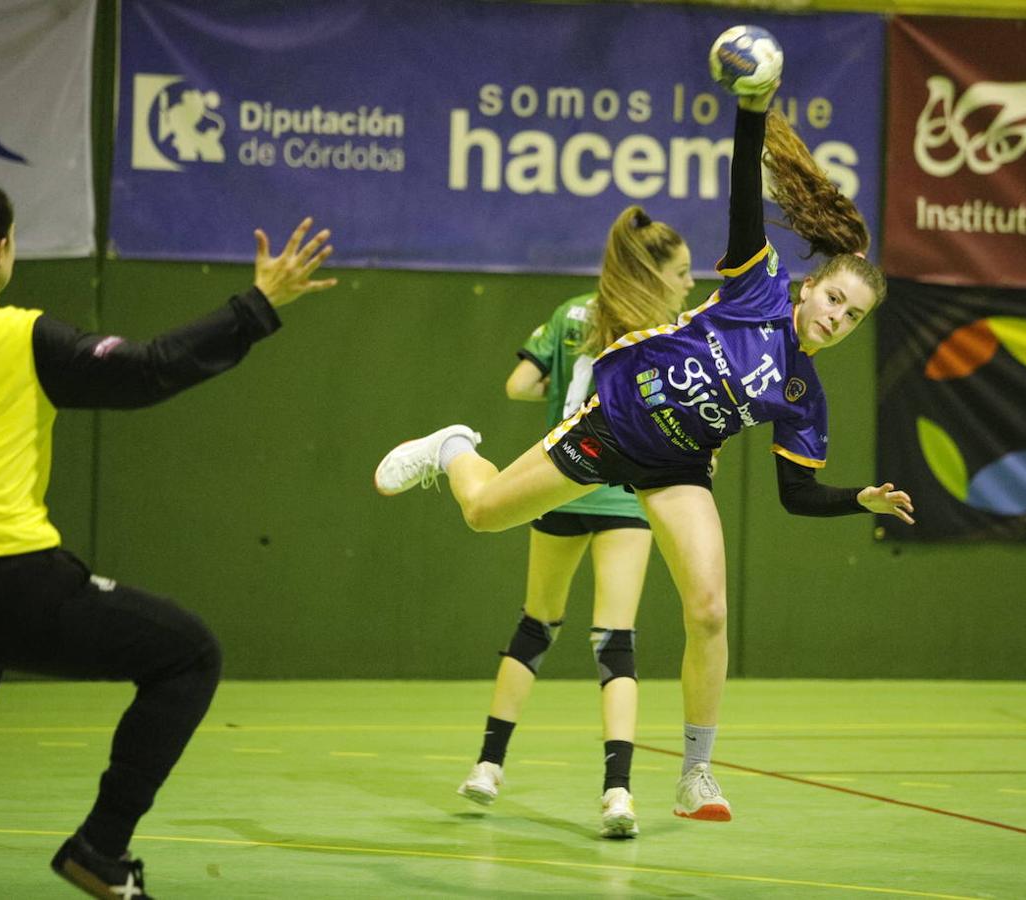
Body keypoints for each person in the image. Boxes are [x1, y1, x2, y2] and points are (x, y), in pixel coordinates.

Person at [374, 77, 914, 824]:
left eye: (853, 317)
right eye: (834, 300)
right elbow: (740, 191)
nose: (838, 318)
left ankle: (697, 773)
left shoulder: (802, 397)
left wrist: (858, 498)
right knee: (482, 515)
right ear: (811, 286)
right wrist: (751, 110)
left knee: (711, 610)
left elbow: (795, 496)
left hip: (677, 469)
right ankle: (455, 448)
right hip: (612, 425)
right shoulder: (757, 287)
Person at [0, 176, 335, 898]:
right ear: (0, 252)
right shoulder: (20, 336)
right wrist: (259, 303)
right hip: (6, 583)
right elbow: (149, 370)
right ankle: (100, 847)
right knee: (187, 654)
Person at [455, 205, 694, 840]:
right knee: (615, 641)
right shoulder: (665, 331)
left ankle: (487, 766)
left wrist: (564, 383)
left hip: (559, 487)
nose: (691, 284)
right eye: (685, 272)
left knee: (536, 626)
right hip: (620, 494)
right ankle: (618, 793)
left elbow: (517, 385)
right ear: (655, 273)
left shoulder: (569, 315)